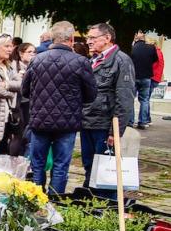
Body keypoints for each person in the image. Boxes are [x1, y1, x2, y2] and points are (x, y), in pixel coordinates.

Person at [20, 21, 97, 195]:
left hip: (40, 120)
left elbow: (25, 90)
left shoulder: (37, 60)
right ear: (71, 39)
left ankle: (35, 202)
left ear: (53, 38)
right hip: (67, 122)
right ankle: (56, 201)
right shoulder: (81, 61)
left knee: (37, 164)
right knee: (61, 165)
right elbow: (91, 95)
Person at [80, 22, 135, 197]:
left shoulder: (121, 61)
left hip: (104, 125)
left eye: (92, 38)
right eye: (88, 38)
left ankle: (105, 206)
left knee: (104, 170)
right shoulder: (93, 60)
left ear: (107, 38)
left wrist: (115, 132)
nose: (88, 41)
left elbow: (125, 98)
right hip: (87, 122)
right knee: (89, 165)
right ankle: (90, 201)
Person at [130, 31, 158, 129]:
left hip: (133, 76)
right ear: (144, 37)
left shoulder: (132, 48)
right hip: (146, 77)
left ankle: (130, 121)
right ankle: (142, 121)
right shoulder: (151, 48)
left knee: (130, 99)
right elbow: (155, 59)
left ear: (135, 38)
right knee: (145, 100)